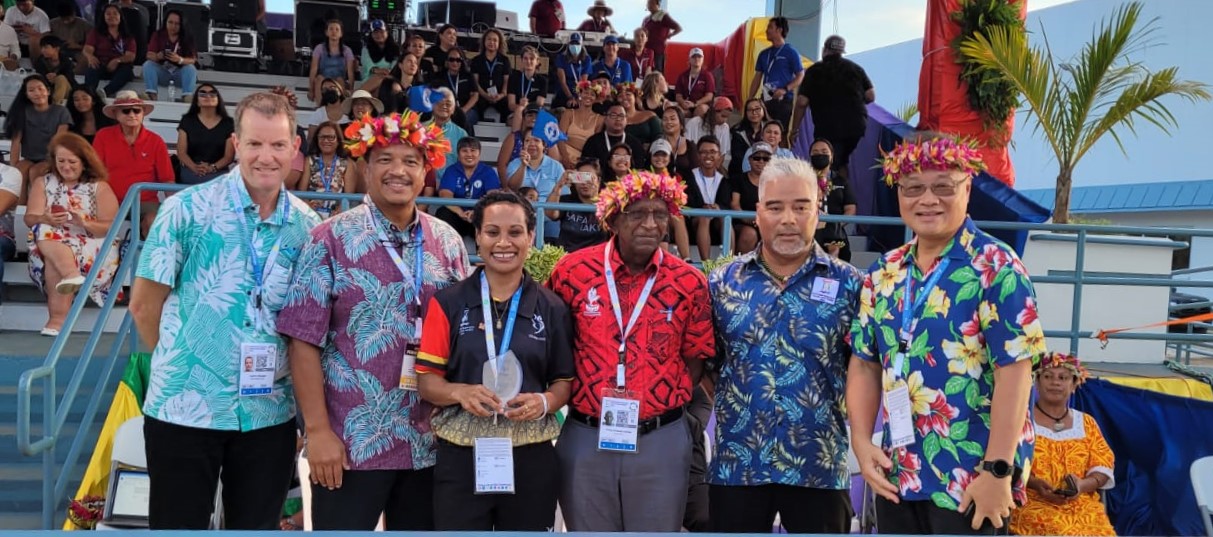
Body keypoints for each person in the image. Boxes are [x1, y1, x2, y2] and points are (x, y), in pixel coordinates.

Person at [277, 109, 467, 531]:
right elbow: (303, 341)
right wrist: (318, 432)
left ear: (426, 173)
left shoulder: (448, 241)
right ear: (364, 167)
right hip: (351, 444)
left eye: (411, 162)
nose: (398, 171)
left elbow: (465, 335)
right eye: (385, 160)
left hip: (430, 442)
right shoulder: (329, 238)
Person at [847, 133, 1041, 534]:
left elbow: (1016, 373)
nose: (927, 199)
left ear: (967, 188)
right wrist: (863, 444)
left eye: (943, 187)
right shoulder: (884, 273)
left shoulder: (997, 267)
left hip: (971, 479)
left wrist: (998, 470)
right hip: (899, 474)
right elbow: (865, 364)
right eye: (913, 188)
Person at [547, 169, 714, 532]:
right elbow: (555, 348)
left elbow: (695, 359)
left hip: (660, 439)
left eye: (659, 214)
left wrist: (655, 397)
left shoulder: (689, 282)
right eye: (637, 214)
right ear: (613, 219)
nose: (650, 224)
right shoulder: (572, 272)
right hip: (587, 437)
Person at [707, 155, 862, 533]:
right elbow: (710, 363)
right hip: (738, 465)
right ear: (758, 214)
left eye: (800, 206)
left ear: (818, 213)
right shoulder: (723, 283)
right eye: (775, 207)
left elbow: (864, 370)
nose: (788, 219)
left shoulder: (852, 285)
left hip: (818, 464)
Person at [417, 190, 573, 530]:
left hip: (530, 454)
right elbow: (427, 381)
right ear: (478, 236)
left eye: (515, 232)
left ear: (531, 237)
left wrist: (545, 401)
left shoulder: (552, 307)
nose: (504, 242)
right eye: (492, 232)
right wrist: (461, 393)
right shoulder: (448, 303)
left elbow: (564, 381)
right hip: (461, 455)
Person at [23, 132, 120, 336]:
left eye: (72, 162)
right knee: (46, 230)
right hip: (52, 241)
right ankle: (70, 276)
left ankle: (57, 319)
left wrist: (84, 222)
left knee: (54, 254)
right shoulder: (43, 182)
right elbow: (30, 218)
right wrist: (45, 218)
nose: (66, 166)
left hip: (92, 243)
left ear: (84, 162)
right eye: (61, 161)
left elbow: (111, 226)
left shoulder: (99, 187)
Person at [1009, 352, 1116, 537]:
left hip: (1082, 506)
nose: (1055, 382)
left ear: (1074, 384)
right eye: (1048, 376)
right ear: (1037, 382)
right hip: (1031, 503)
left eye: (1063, 378)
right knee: (1060, 531)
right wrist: (1034, 484)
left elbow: (1103, 467)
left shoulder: (1086, 423)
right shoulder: (1022, 421)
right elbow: (1008, 463)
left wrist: (1082, 485)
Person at [92, 90, 173, 236]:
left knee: (154, 221)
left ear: (143, 114)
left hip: (145, 202)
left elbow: (167, 179)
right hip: (110, 199)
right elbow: (94, 172)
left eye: (136, 110)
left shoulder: (156, 140)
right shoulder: (103, 136)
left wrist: (174, 207)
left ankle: (146, 258)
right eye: (126, 110)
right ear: (116, 114)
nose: (132, 114)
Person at [795, 35, 874, 174]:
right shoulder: (855, 68)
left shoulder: (815, 71)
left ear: (824, 50)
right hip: (856, 126)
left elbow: (802, 102)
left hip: (828, 127)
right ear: (841, 51)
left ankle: (831, 192)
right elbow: (870, 96)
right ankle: (842, 190)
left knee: (826, 163)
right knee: (840, 161)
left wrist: (794, 129)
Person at [6, 74, 73, 189]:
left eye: (40, 88)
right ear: (26, 95)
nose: (37, 93)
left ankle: (36, 204)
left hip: (51, 157)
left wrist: (53, 162)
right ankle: (20, 206)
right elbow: (16, 141)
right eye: (31, 90)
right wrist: (14, 165)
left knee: (36, 171)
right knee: (19, 172)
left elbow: (58, 140)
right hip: (29, 158)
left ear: (48, 91)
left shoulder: (61, 112)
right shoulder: (22, 112)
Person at [747, 17, 802, 140]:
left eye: (770, 27)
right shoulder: (764, 54)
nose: (767, 30)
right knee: (762, 132)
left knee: (779, 135)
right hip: (765, 99)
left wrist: (785, 89)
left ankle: (782, 158)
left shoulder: (791, 52)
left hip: (783, 101)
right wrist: (750, 99)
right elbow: (757, 77)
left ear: (779, 30)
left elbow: (800, 75)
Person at [437, 137, 500, 238]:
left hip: (480, 214)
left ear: (479, 154)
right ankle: (447, 252)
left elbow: (493, 196)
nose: (469, 154)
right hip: (457, 214)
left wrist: (477, 212)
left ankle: (483, 253)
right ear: (458, 154)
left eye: (473, 150)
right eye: (464, 151)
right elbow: (445, 194)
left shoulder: (488, 171)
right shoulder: (451, 170)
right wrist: (460, 212)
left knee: (492, 215)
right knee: (443, 213)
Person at [176, 83, 235, 185]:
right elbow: (181, 152)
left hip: (218, 171)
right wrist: (195, 168)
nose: (208, 96)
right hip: (191, 169)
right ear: (197, 101)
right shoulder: (187, 120)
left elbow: (228, 156)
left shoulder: (228, 123)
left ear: (218, 99)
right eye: (203, 94)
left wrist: (212, 168)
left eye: (212, 94)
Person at [546, 156, 608, 252]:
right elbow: (550, 214)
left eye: (589, 177)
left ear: (598, 180)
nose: (584, 183)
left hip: (596, 258)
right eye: (580, 177)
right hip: (567, 256)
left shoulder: (608, 204)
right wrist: (559, 185)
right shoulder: (566, 200)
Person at [295, 121, 356, 216]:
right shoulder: (309, 160)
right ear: (317, 139)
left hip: (336, 215)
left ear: (338, 140)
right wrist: (310, 211)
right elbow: (302, 192)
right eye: (322, 137)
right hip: (310, 214)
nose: (326, 141)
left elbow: (348, 197)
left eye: (331, 137)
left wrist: (338, 213)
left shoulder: (348, 164)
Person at [809, 139, 857, 261]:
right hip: (809, 227)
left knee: (835, 240)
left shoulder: (841, 181)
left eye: (824, 152)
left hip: (835, 230)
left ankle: (832, 272)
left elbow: (850, 209)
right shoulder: (803, 180)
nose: (820, 155)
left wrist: (835, 223)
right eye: (816, 152)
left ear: (831, 157)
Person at [685, 135, 730, 261]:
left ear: (719, 156)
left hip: (716, 224)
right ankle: (706, 263)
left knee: (726, 218)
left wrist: (718, 207)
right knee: (704, 217)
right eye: (703, 152)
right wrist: (703, 208)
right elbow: (687, 202)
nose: (708, 156)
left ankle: (729, 261)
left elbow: (726, 203)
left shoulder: (724, 180)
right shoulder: (689, 177)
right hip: (695, 223)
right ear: (698, 155)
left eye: (712, 152)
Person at [647, 138, 691, 260]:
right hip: (649, 215)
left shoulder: (676, 178)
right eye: (656, 154)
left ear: (670, 158)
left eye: (664, 155)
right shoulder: (643, 176)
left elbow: (681, 202)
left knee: (677, 216)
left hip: (669, 217)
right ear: (650, 156)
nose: (660, 158)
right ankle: (662, 260)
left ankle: (687, 259)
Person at [142, 9, 197, 102]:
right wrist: (157, 56)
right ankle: (152, 94)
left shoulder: (187, 36)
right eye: (170, 22)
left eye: (177, 24)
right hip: (162, 72)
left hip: (179, 73)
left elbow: (193, 59)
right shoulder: (158, 35)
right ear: (165, 22)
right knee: (148, 65)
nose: (173, 26)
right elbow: (149, 55)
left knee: (190, 68)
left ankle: (187, 96)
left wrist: (180, 60)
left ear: (181, 25)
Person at [82, 4, 135, 97]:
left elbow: (131, 56)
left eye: (115, 13)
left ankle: (104, 92)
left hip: (119, 67)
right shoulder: (96, 32)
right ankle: (88, 93)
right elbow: (87, 49)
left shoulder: (127, 36)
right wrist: (90, 57)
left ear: (120, 17)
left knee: (127, 72)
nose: (112, 16)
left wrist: (117, 60)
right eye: (108, 14)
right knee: (92, 67)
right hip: (101, 64)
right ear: (104, 17)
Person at [728, 141, 770, 254]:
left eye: (766, 159)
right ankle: (739, 268)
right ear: (750, 160)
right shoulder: (739, 179)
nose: (761, 161)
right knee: (749, 234)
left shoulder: (775, 183)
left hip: (767, 223)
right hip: (742, 222)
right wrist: (751, 220)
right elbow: (735, 204)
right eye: (757, 158)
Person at [581, 101, 647, 172]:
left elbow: (639, 170)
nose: (618, 119)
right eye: (613, 115)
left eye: (621, 116)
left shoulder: (635, 143)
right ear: (605, 119)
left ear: (626, 120)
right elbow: (585, 169)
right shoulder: (593, 142)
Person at [557, 81, 606, 168]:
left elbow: (595, 144)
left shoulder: (600, 119)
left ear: (595, 99)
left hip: (583, 157)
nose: (588, 96)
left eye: (592, 94)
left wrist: (583, 162)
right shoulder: (568, 113)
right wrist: (565, 158)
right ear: (580, 95)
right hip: (563, 152)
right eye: (586, 93)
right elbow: (560, 137)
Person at [470, 28, 511, 123]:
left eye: (495, 40)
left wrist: (501, 95)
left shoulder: (504, 60)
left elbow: (506, 81)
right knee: (476, 107)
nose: (491, 42)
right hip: (482, 94)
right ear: (484, 41)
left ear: (499, 43)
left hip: (499, 96)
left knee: (507, 107)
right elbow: (475, 82)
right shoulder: (477, 60)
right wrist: (485, 95)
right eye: (489, 39)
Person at [308, 19, 354, 103]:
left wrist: (351, 89)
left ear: (341, 34)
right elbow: (313, 69)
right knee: (319, 78)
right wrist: (311, 89)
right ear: (326, 32)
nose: (334, 32)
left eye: (337, 29)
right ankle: (320, 108)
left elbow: (350, 72)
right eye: (331, 29)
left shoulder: (347, 50)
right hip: (323, 80)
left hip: (339, 80)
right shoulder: (319, 48)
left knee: (340, 80)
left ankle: (339, 108)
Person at [427, 88, 468, 179]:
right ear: (431, 105)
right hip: (423, 185)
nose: (444, 106)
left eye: (448, 104)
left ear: (453, 109)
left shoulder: (461, 134)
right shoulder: (420, 129)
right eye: (439, 102)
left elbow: (464, 165)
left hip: (450, 186)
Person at [435, 47, 480, 130]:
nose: (455, 62)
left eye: (458, 60)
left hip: (467, 109)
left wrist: (463, 110)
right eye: (451, 59)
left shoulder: (468, 76)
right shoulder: (439, 76)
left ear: (462, 61)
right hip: (446, 109)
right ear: (447, 61)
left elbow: (475, 95)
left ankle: (467, 142)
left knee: (464, 118)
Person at [686, 97, 733, 172]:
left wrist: (712, 170)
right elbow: (687, 148)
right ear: (713, 112)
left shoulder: (725, 127)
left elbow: (722, 154)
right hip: (693, 165)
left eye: (727, 117)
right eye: (723, 116)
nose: (725, 120)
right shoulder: (694, 123)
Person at [640, 0, 681, 73]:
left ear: (658, 5)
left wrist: (668, 36)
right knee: (644, 71)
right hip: (646, 51)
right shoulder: (646, 19)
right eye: (648, 3)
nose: (650, 5)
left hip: (657, 51)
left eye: (652, 3)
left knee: (657, 74)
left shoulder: (663, 16)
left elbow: (678, 28)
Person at [729, 98, 767, 176]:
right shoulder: (737, 132)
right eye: (750, 110)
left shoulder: (770, 129)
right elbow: (737, 158)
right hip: (741, 173)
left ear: (763, 110)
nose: (754, 112)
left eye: (757, 109)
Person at [359, 19, 398, 94]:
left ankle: (357, 95)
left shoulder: (395, 49)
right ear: (371, 34)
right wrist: (377, 71)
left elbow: (395, 67)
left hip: (389, 79)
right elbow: (367, 63)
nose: (379, 35)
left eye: (381, 31)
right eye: (375, 32)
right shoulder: (366, 49)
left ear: (387, 32)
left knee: (382, 80)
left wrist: (386, 73)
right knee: (378, 79)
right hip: (369, 80)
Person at [554, 32, 591, 109]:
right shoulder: (561, 58)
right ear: (568, 45)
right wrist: (570, 97)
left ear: (581, 45)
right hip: (563, 93)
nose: (574, 46)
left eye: (577, 43)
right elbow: (562, 82)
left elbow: (583, 81)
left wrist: (578, 98)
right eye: (572, 43)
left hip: (579, 93)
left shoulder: (587, 59)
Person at [674, 48, 714, 119]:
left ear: (703, 59)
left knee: (701, 110)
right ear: (689, 59)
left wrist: (695, 104)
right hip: (686, 105)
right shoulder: (682, 76)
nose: (696, 59)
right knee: (677, 112)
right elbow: (678, 95)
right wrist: (683, 103)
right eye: (694, 57)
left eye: (699, 56)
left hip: (700, 104)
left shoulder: (707, 75)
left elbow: (709, 96)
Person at [507, 45, 548, 115]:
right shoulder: (514, 78)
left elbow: (539, 104)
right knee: (519, 111)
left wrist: (526, 105)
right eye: (525, 58)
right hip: (516, 112)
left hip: (533, 114)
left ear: (537, 61)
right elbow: (511, 105)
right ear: (522, 60)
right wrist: (521, 106)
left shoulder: (542, 81)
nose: (528, 61)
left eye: (532, 58)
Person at [33, 35, 73, 105]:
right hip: (49, 90)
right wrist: (47, 78)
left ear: (56, 49)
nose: (42, 50)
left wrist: (56, 76)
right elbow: (39, 77)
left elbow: (71, 78)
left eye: (46, 47)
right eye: (41, 47)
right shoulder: (40, 61)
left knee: (61, 78)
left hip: (67, 90)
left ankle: (54, 106)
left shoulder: (66, 60)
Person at [659, 105, 696, 174]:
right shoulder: (656, 145)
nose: (668, 122)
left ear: (681, 124)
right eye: (665, 119)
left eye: (672, 119)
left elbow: (697, 173)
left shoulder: (690, 146)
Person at [0, 5, 20, 71]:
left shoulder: (9, 30)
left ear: (2, 13)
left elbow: (16, 50)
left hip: (3, 65)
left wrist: (13, 57)